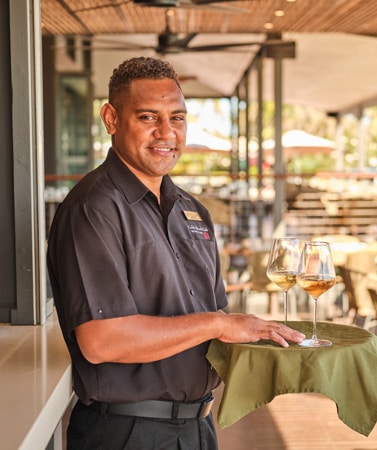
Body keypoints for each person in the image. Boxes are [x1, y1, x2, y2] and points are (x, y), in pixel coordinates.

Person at [47, 56, 305, 450]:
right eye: (148, 117)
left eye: (178, 118)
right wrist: (219, 325)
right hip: (127, 433)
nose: (166, 133)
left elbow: (214, 322)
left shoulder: (192, 210)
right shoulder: (92, 208)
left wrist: (272, 344)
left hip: (199, 426)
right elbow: (101, 341)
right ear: (112, 119)